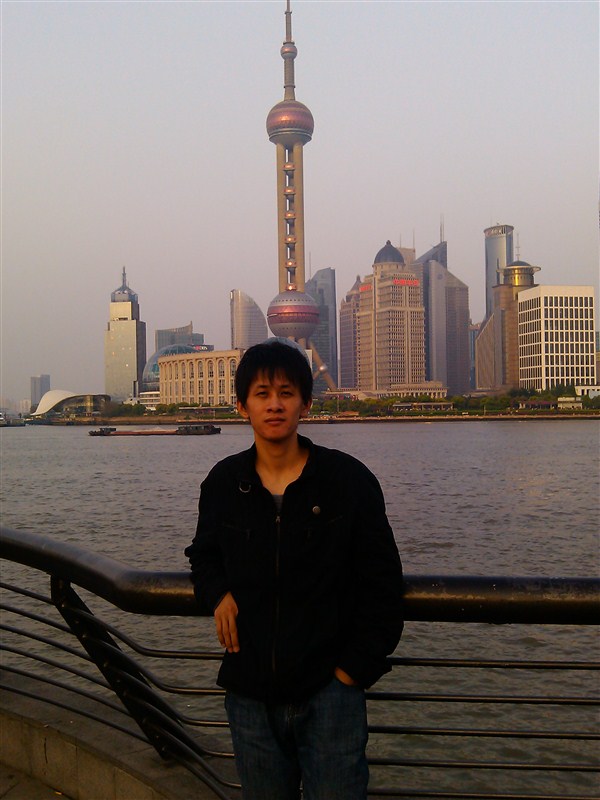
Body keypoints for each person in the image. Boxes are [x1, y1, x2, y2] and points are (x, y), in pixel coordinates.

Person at [185, 339, 403, 800]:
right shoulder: (225, 483)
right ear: (242, 406)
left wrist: (350, 673)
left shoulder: (348, 481)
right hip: (250, 695)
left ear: (306, 403)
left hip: (331, 694)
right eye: (262, 394)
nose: (275, 405)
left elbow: (383, 584)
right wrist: (217, 593)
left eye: (286, 393)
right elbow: (203, 555)